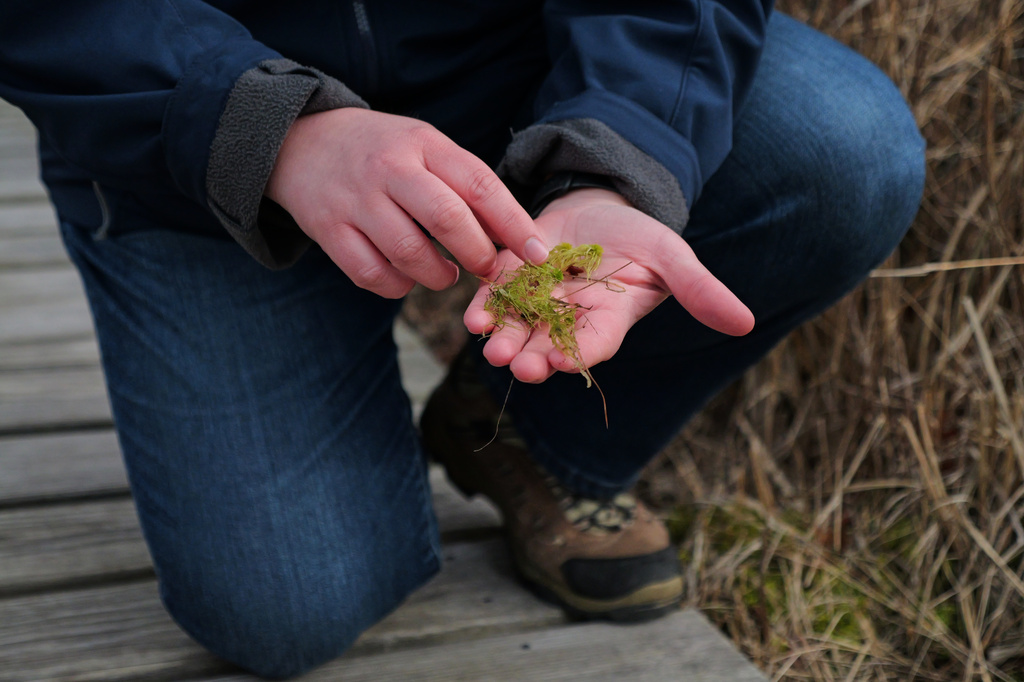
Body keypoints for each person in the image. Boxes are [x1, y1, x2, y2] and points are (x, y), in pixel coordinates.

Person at [0, 1, 925, 679]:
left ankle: (530, 433)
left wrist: (613, 166)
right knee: (287, 608)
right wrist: (266, 129)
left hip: (514, 72)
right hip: (197, 144)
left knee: (845, 149)